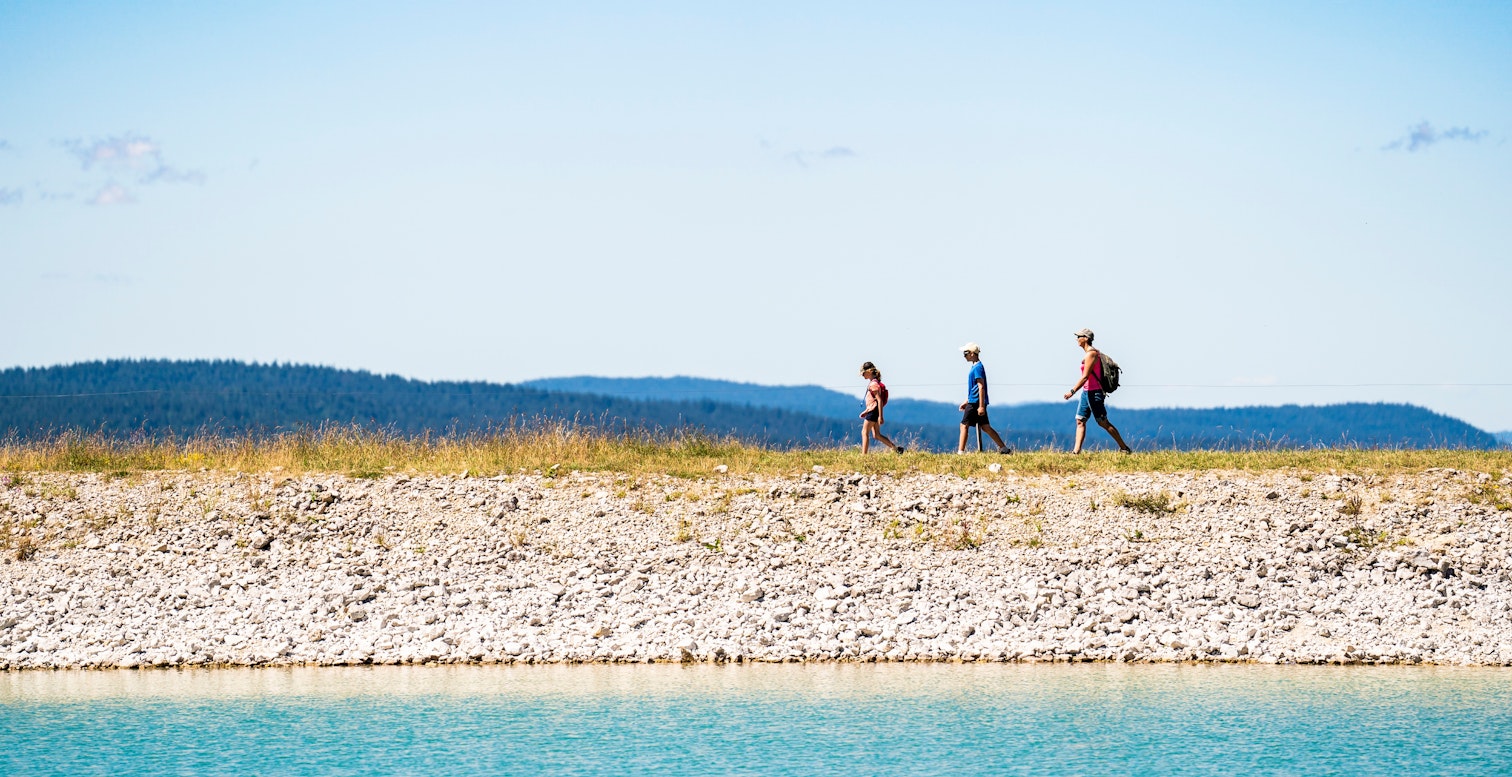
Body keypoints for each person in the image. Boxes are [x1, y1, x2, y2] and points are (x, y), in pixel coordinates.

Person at [1063, 328, 1132, 454]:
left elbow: (1085, 377)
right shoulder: (1088, 354)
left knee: (1103, 422)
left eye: (1079, 336)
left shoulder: (1092, 354)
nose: (1077, 339)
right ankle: (1076, 452)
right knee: (1080, 421)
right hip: (1086, 392)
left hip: (1094, 393)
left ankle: (1124, 448)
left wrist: (1072, 392)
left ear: (1086, 338)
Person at [957, 343, 1012, 454]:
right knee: (985, 427)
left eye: (966, 353)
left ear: (972, 354)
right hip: (974, 401)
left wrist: (981, 406)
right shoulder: (976, 367)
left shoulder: (977, 368)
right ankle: (1004, 449)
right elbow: (974, 389)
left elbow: (981, 386)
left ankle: (960, 452)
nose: (964, 356)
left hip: (975, 402)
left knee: (964, 425)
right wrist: (966, 401)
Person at [859, 362, 904, 454]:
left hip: (873, 411)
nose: (862, 375)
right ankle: (897, 450)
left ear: (869, 372)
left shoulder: (873, 385)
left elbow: (879, 400)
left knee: (864, 432)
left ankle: (864, 456)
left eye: (863, 373)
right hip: (874, 410)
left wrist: (880, 416)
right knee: (876, 435)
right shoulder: (875, 382)